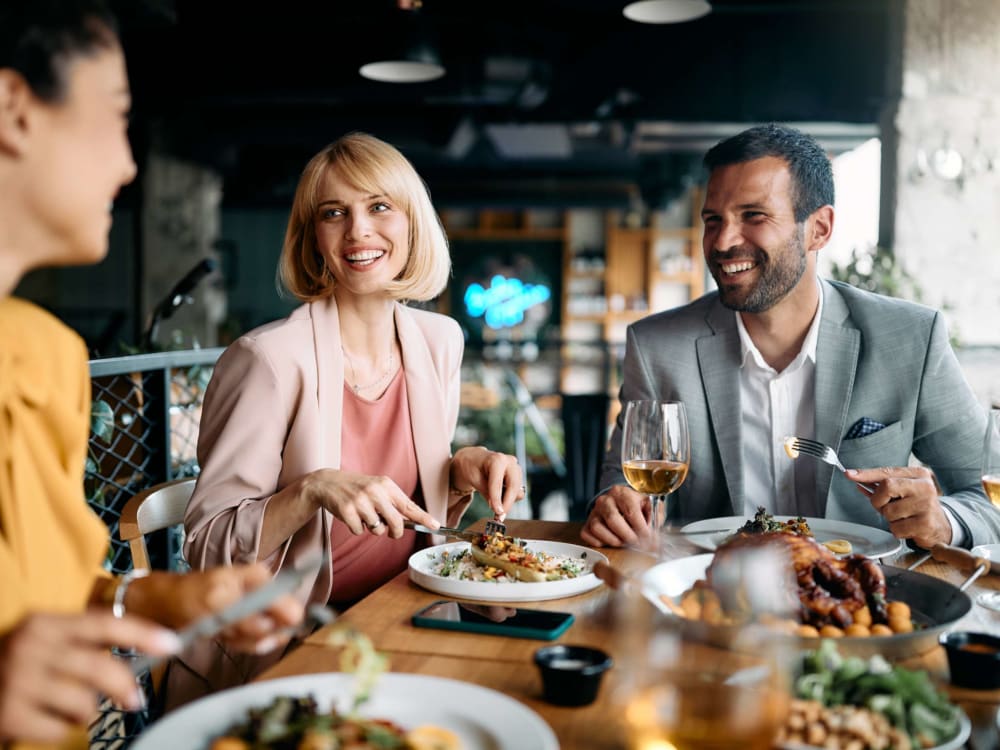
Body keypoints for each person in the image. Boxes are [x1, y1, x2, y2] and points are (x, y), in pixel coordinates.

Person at [0, 2, 303, 747]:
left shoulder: (47, 356)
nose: (129, 163)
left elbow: (49, 598)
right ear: (14, 110)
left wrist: (157, 596)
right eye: (115, 116)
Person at [174, 131, 524, 706]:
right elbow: (207, 545)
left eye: (379, 207)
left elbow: (412, 497)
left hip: (406, 611)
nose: (358, 230)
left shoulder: (439, 340)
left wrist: (464, 467)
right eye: (334, 213)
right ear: (314, 238)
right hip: (291, 643)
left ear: (412, 222)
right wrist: (313, 490)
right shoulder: (267, 360)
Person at [582, 123, 1000, 551]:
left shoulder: (910, 338)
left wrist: (943, 522)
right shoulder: (657, 347)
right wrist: (617, 505)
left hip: (863, 595)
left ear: (819, 228)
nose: (723, 241)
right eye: (713, 220)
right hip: (712, 594)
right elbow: (622, 482)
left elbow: (991, 495)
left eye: (753, 216)